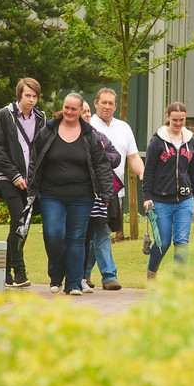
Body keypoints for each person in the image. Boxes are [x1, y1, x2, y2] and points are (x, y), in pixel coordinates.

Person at [29, 93, 114, 295]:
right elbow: (35, 159)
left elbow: (102, 165)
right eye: (66, 107)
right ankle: (56, 275)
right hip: (52, 194)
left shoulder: (89, 135)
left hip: (82, 196)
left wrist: (106, 193)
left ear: (80, 111)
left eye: (73, 109)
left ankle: (74, 283)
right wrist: (32, 186)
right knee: (53, 234)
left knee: (77, 238)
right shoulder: (48, 131)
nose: (68, 112)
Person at [0, 77, 46, 288]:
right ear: (19, 95)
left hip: (30, 179)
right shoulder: (4, 115)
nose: (31, 100)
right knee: (18, 220)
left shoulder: (41, 117)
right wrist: (14, 175)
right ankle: (19, 273)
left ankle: (2, 268)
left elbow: (40, 149)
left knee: (24, 224)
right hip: (7, 177)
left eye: (35, 96)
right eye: (27, 95)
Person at [86, 87, 145, 291]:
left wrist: (142, 175)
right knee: (101, 232)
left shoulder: (124, 127)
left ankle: (83, 274)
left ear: (116, 105)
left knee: (96, 234)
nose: (108, 106)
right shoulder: (88, 125)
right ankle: (109, 276)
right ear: (96, 103)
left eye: (111, 103)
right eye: (104, 102)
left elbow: (134, 157)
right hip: (92, 192)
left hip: (115, 192)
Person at [142, 102, 194, 278]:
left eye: (182, 120)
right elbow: (149, 172)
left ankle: (178, 282)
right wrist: (147, 197)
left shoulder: (190, 142)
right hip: (161, 200)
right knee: (163, 242)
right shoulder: (157, 142)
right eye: (175, 119)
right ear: (167, 118)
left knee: (182, 242)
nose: (178, 123)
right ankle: (152, 271)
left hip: (185, 200)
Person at [80, 101, 121, 292]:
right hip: (79, 194)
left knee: (102, 233)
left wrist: (101, 154)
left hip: (101, 194)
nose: (88, 115)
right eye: (84, 111)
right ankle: (83, 274)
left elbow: (116, 156)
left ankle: (109, 277)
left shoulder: (98, 136)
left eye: (88, 112)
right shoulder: (67, 137)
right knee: (86, 237)